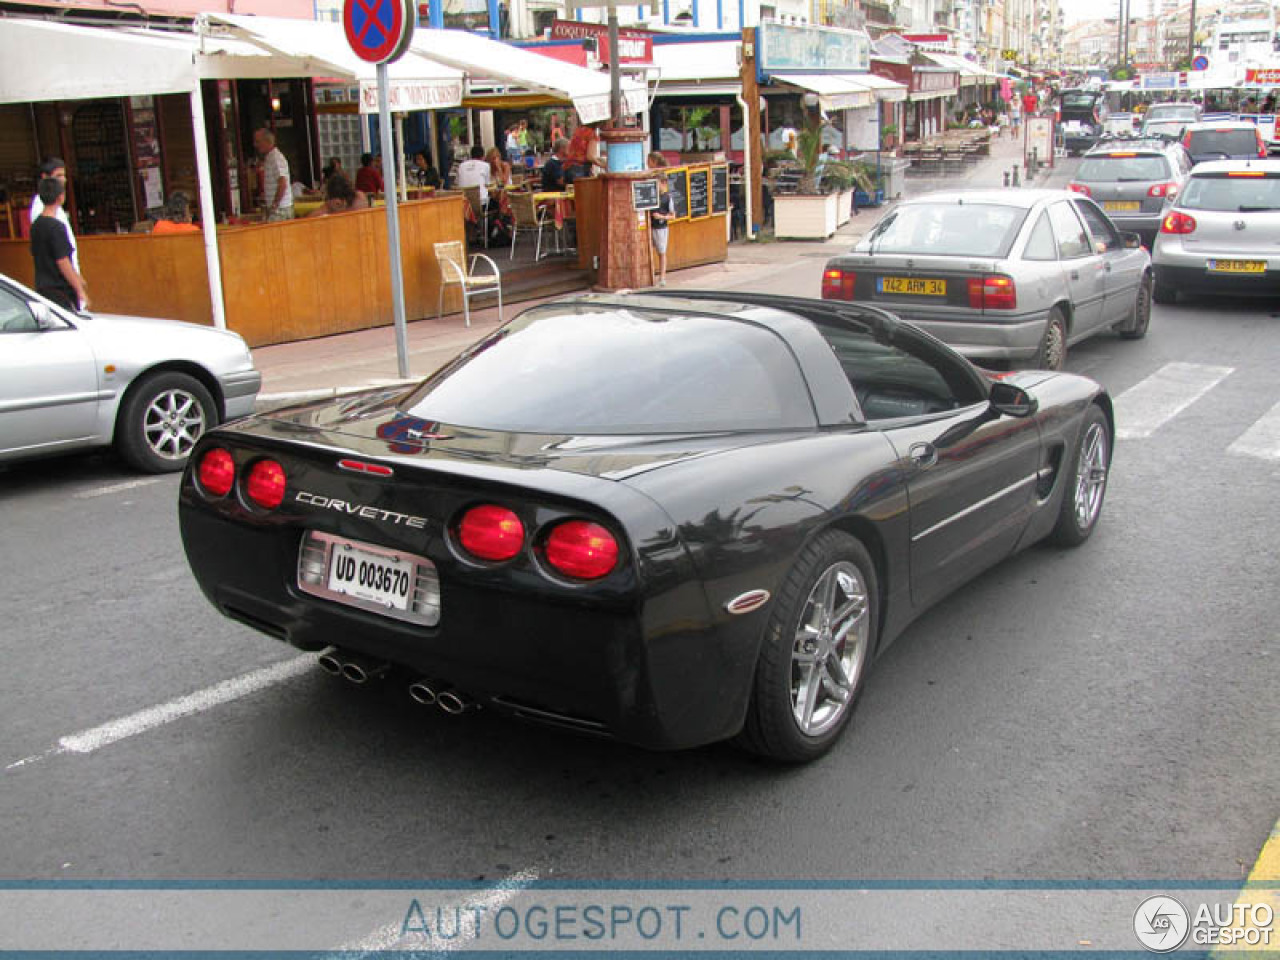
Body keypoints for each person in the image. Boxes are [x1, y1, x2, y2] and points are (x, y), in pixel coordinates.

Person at [30, 177, 88, 312]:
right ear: (60, 197)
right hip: (60, 291)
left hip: (42, 287)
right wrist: (79, 289)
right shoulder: (57, 227)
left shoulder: (36, 226)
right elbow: (63, 262)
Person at [28, 157, 78, 273]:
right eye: (58, 175)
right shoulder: (41, 207)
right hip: (57, 278)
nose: (63, 180)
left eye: (64, 176)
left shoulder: (56, 206)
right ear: (45, 177)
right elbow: (57, 252)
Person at [253, 128, 293, 221]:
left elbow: (282, 183)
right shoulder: (270, 157)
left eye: (258, 142)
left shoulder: (275, 158)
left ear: (267, 141)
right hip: (280, 207)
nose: (255, 145)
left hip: (280, 209)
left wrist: (275, 205)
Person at [649, 172, 674, 287]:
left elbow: (673, 215)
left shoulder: (667, 198)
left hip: (661, 228)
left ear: (663, 183)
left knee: (661, 252)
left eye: (657, 183)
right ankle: (651, 274)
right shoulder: (651, 196)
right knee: (649, 251)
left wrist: (662, 217)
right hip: (650, 226)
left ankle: (662, 277)